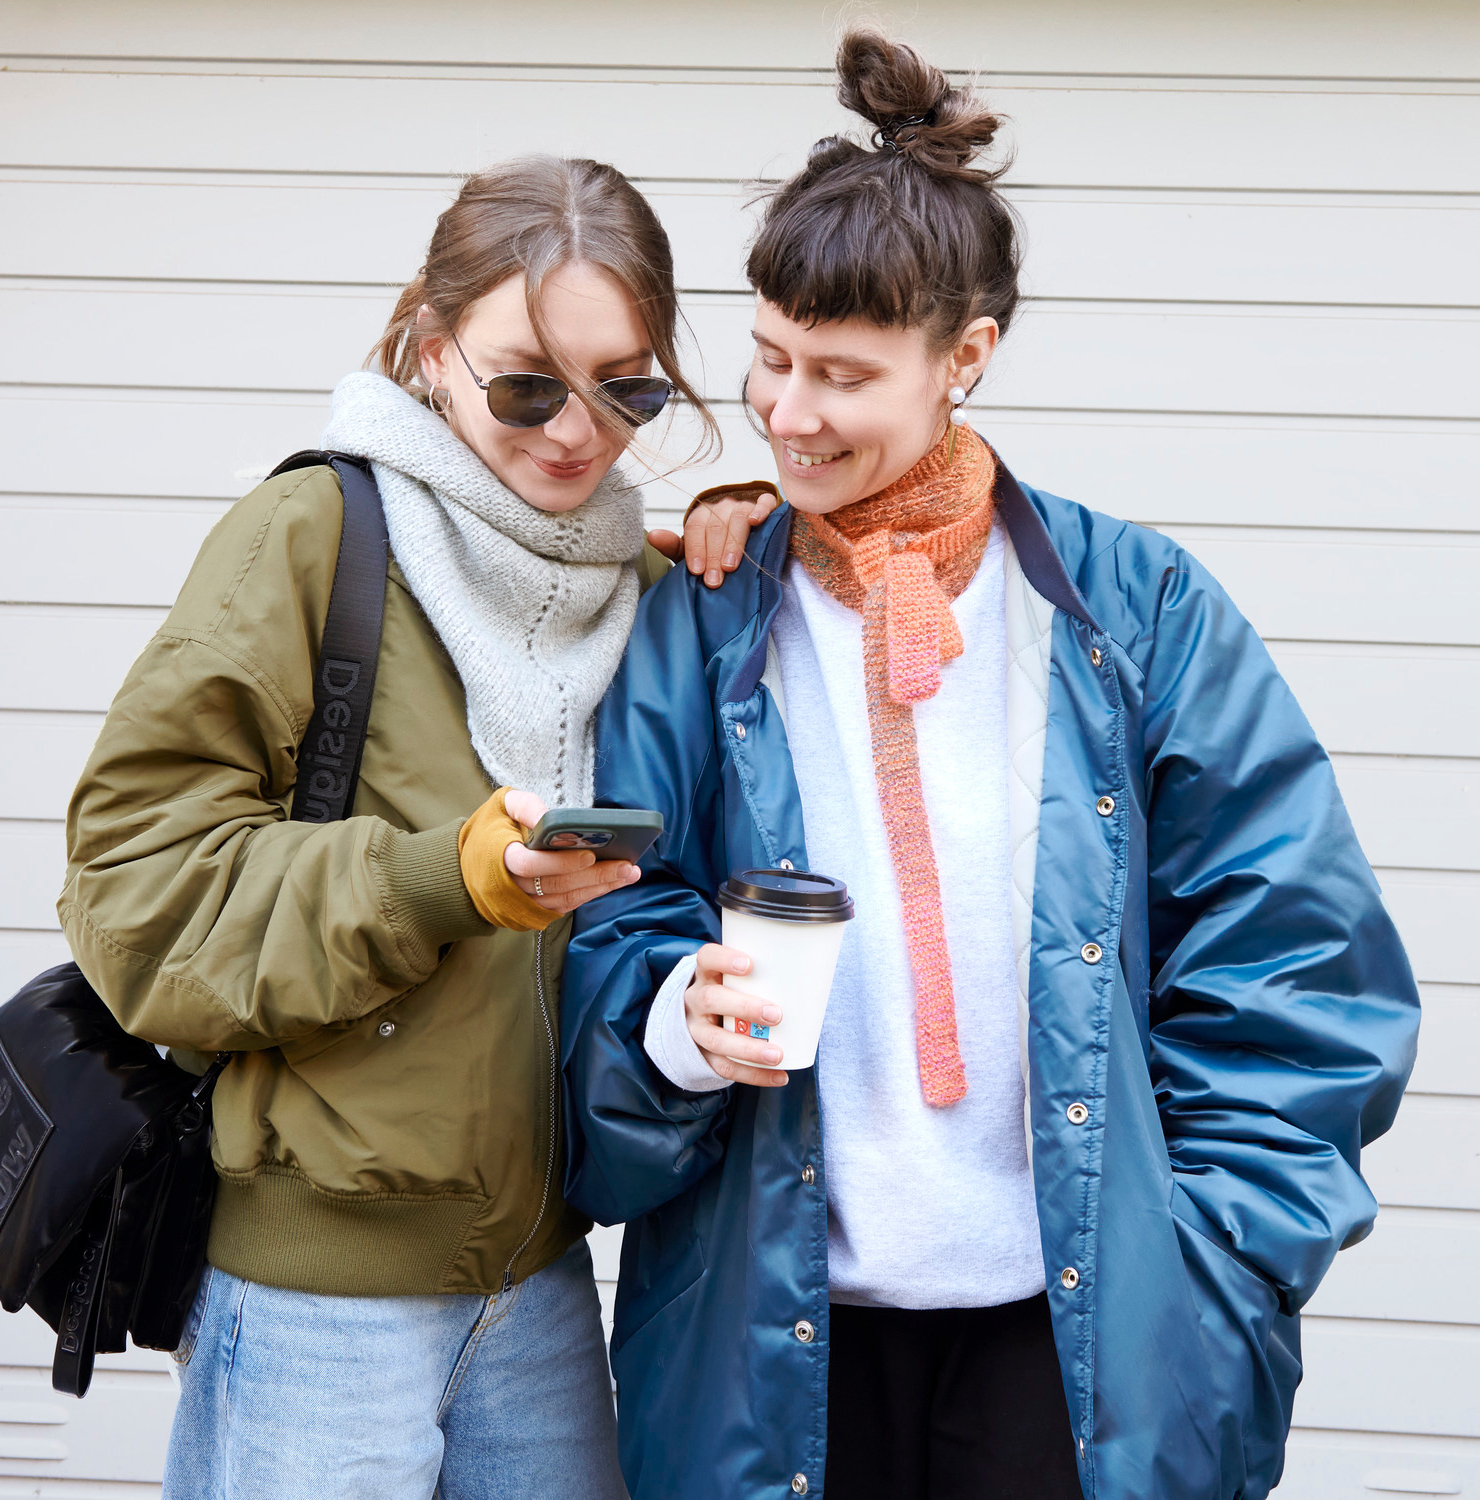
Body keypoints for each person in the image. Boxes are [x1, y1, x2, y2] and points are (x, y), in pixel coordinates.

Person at [561, 32, 1421, 1500]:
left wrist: (1218, 1273)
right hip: (775, 1348)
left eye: (842, 374)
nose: (786, 414)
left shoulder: (1135, 612)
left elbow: (1298, 965)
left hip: (1079, 1346)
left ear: (967, 358)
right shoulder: (704, 619)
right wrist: (670, 1026)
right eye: (769, 358)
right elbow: (608, 918)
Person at [57, 155, 771, 1499]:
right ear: (432, 349)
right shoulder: (313, 539)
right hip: (315, 1296)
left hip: (541, 1279)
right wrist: (441, 879)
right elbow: (134, 889)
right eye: (526, 383)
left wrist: (759, 543)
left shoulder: (632, 575)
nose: (577, 431)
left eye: (629, 387)